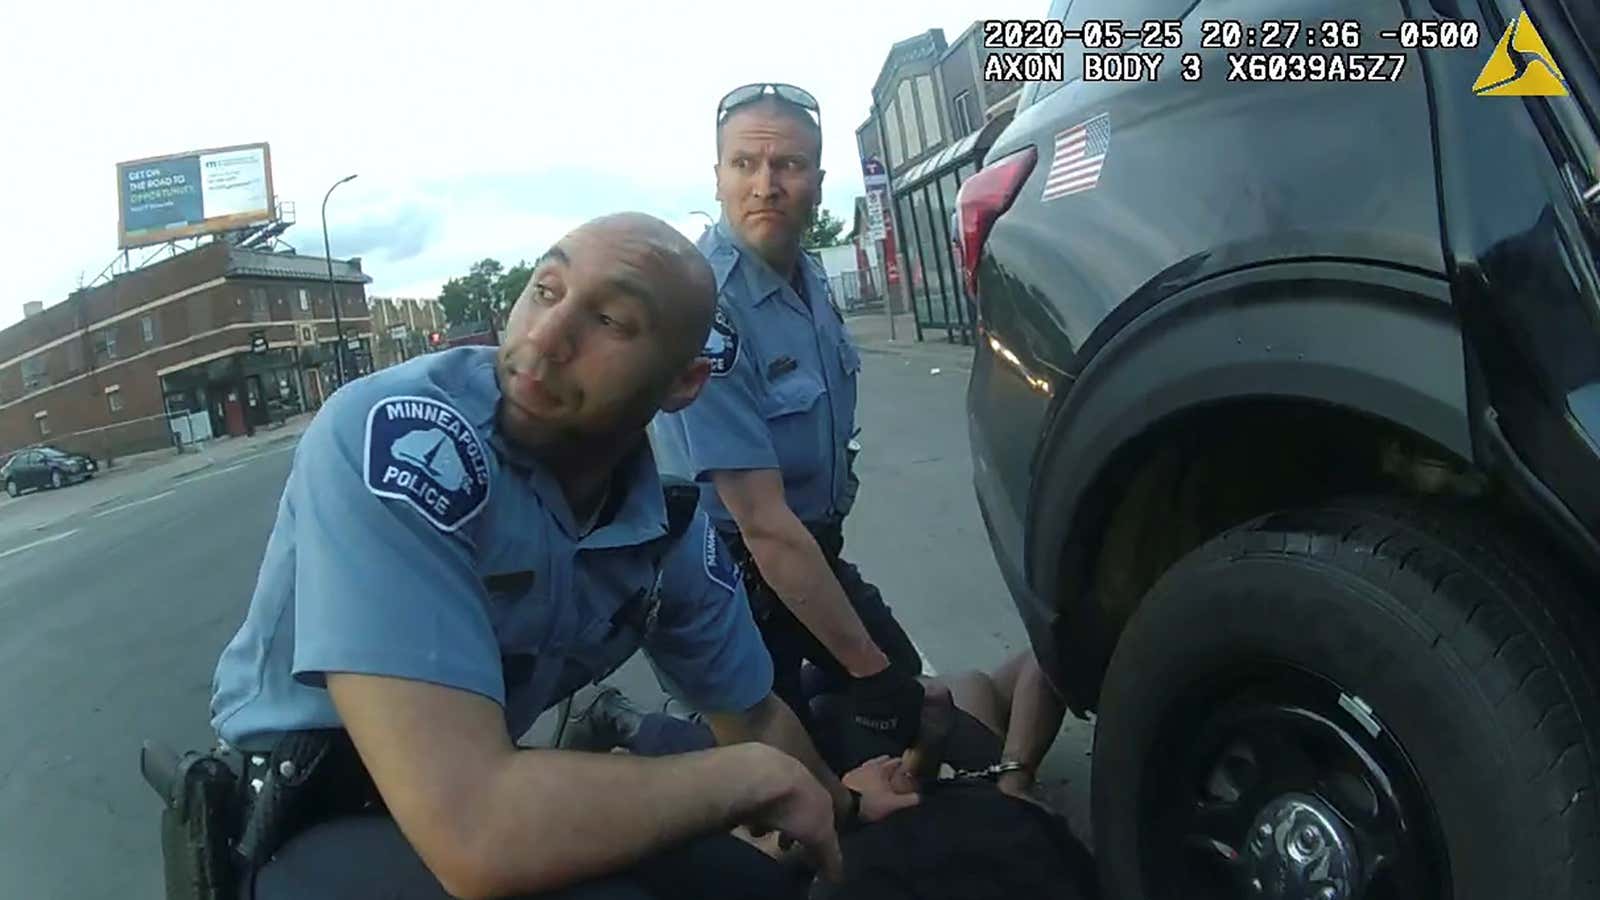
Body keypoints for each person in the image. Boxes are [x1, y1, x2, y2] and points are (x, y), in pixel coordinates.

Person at [205, 212, 917, 900]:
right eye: (545, 291)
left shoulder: (662, 526)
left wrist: (843, 806)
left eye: (610, 321)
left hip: (485, 787)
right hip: (317, 822)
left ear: (683, 383)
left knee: (757, 884)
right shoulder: (403, 441)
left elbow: (753, 716)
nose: (545, 338)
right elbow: (477, 833)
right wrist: (748, 779)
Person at [650, 82, 926, 749]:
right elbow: (764, 529)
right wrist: (867, 669)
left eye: (789, 165)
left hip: (810, 553)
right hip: (732, 582)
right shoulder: (704, 308)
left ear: (818, 182)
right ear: (717, 178)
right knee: (778, 780)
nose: (766, 184)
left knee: (900, 694)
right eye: (745, 164)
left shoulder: (809, 277)